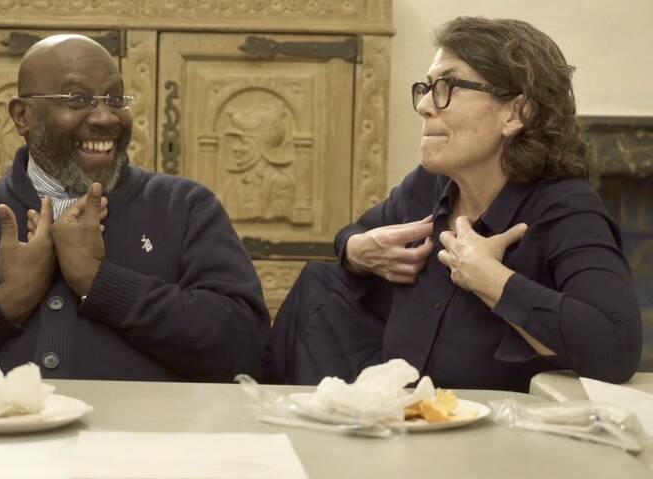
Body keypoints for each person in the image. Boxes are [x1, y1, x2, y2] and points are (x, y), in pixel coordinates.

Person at [263, 17, 642, 391]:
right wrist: (356, 249)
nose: (425, 105)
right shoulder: (430, 185)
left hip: (497, 441)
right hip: (406, 418)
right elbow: (358, 233)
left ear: (516, 113)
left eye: (447, 86)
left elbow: (618, 347)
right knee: (322, 279)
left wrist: (489, 278)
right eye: (427, 87)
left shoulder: (566, 208)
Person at [0, 34, 271, 382]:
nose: (104, 116)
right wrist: (4, 304)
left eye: (115, 98)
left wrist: (101, 282)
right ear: (22, 116)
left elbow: (245, 350)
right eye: (77, 99)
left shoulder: (185, 207)